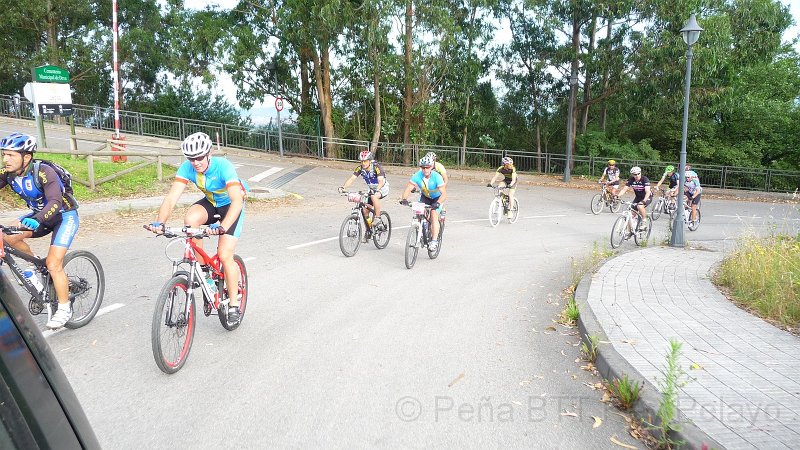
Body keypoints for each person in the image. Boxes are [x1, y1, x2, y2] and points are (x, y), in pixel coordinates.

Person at [145, 132, 247, 323]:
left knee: (225, 255)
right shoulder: (187, 168)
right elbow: (172, 197)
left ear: (209, 154)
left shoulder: (223, 166)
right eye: (191, 159)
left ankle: (233, 304)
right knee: (190, 220)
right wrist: (160, 222)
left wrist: (222, 227)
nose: (196, 162)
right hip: (211, 203)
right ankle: (203, 268)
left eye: (200, 157)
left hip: (232, 207)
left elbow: (237, 201)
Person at [0, 133, 79, 329]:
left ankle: (64, 307)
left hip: (63, 216)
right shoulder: (8, 173)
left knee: (54, 263)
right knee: (7, 237)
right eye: (4, 154)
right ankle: (37, 265)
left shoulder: (43, 172)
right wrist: (34, 218)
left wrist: (36, 219)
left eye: (11, 155)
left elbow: (55, 201)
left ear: (26, 157)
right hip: (37, 216)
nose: (5, 159)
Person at [338, 149, 389, 240]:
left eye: (365, 161)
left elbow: (381, 181)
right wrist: (343, 188)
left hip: (382, 188)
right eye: (362, 161)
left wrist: (377, 190)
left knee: (374, 196)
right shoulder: (360, 168)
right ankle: (369, 229)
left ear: (369, 161)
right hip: (371, 189)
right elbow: (352, 178)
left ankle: (378, 217)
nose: (363, 163)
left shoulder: (376, 167)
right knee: (365, 212)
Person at [400, 156, 447, 251]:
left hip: (437, 198)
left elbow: (444, 194)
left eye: (427, 167)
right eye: (423, 167)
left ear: (431, 167)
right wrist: (404, 199)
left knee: (433, 215)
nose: (425, 170)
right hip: (425, 197)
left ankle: (434, 241)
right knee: (418, 212)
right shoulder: (417, 175)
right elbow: (409, 188)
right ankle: (422, 228)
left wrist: (438, 203)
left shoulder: (437, 177)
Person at [615, 166, 651, 232]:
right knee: (630, 215)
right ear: (632, 175)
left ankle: (644, 221)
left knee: (640, 206)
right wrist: (617, 196)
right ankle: (629, 231)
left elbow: (648, 192)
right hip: (638, 198)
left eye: (638, 173)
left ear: (640, 173)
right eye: (635, 174)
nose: (637, 175)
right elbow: (624, 189)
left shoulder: (645, 179)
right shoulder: (631, 180)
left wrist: (644, 201)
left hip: (647, 197)